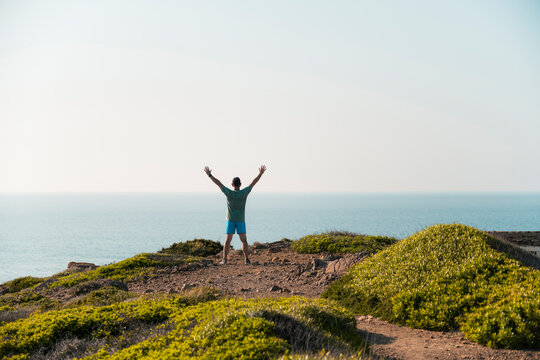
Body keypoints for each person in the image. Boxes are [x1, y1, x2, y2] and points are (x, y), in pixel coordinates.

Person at [204, 165, 266, 265]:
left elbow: (219, 184)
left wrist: (210, 175)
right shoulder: (244, 193)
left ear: (232, 184)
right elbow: (253, 183)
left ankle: (224, 260)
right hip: (241, 220)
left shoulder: (229, 193)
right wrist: (260, 174)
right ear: (240, 184)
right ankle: (246, 259)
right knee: (244, 240)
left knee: (227, 240)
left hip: (231, 220)